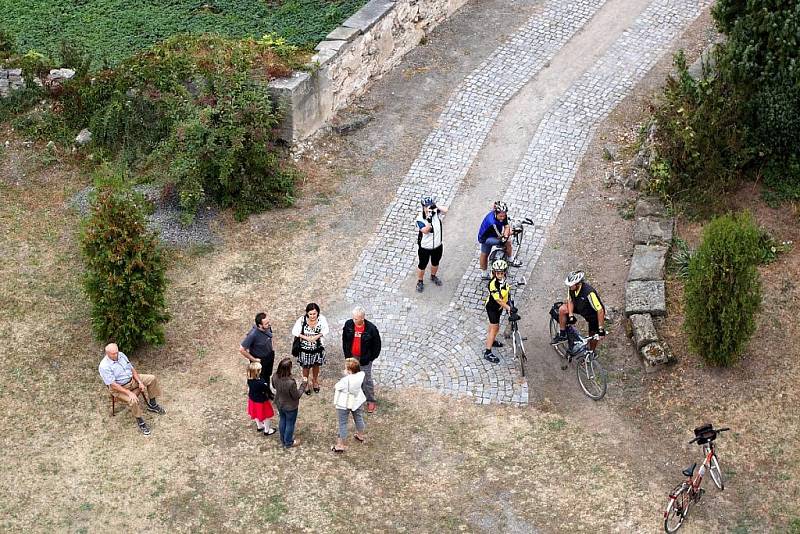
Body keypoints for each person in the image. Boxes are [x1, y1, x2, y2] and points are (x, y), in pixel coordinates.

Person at [98, 343, 165, 436]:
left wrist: (140, 382)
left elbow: (132, 370)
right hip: (119, 388)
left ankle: (152, 405)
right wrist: (129, 393)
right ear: (107, 354)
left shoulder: (121, 355)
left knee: (152, 378)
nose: (116, 355)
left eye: (117, 352)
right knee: (132, 400)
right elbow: (113, 385)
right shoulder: (104, 366)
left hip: (132, 380)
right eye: (113, 354)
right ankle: (140, 421)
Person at [551, 270, 606, 352]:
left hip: (592, 314)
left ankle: (591, 352)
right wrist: (570, 315)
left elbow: (600, 310)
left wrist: (601, 328)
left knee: (593, 335)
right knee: (562, 309)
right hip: (579, 306)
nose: (569, 287)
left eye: (571, 285)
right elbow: (570, 300)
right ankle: (562, 334)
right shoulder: (571, 288)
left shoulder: (589, 293)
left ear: (578, 284)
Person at [342, 306, 381, 413]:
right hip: (352, 357)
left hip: (365, 359)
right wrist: (347, 355)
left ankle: (370, 400)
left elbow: (377, 346)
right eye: (353, 318)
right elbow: (345, 340)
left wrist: (369, 358)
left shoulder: (371, 329)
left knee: (366, 380)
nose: (353, 320)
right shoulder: (348, 325)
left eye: (356, 318)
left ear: (362, 318)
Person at [477, 201, 522, 280]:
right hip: (486, 238)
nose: (502, 218)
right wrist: (512, 232)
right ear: (495, 213)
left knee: (505, 238)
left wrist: (507, 231)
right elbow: (502, 238)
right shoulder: (492, 223)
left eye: (504, 216)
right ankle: (511, 259)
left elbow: (506, 226)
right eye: (500, 216)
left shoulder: (502, 214)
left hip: (494, 234)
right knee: (506, 242)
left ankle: (484, 273)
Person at [291, 303, 330, 394]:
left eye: (314, 314)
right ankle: (306, 382)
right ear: (307, 313)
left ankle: (315, 381)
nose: (312, 316)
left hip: (317, 347)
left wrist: (317, 336)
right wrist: (306, 338)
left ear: (318, 313)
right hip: (305, 348)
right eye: (310, 314)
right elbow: (295, 331)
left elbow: (326, 330)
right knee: (305, 367)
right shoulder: (302, 320)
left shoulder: (322, 319)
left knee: (316, 365)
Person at [331, 358, 368, 453]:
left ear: (350, 371)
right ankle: (360, 435)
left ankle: (340, 445)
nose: (344, 369)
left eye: (346, 368)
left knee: (342, 423)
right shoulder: (361, 375)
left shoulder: (346, 380)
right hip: (357, 400)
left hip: (344, 403)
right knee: (359, 418)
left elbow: (336, 386)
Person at [415, 196, 449, 293]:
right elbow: (425, 231)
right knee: (422, 265)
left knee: (435, 262)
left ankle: (433, 276)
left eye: (430, 206)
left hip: (437, 245)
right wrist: (429, 221)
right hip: (425, 247)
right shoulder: (420, 219)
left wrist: (436, 206)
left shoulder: (435, 212)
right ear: (423, 207)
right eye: (427, 206)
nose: (429, 208)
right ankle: (420, 281)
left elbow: (446, 210)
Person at [483, 259, 515, 363]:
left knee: (494, 327)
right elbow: (499, 300)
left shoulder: (503, 280)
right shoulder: (492, 284)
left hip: (499, 308)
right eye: (498, 273)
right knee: (494, 328)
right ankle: (488, 352)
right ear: (494, 273)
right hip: (492, 308)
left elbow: (506, 291)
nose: (500, 275)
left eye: (502, 273)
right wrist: (509, 308)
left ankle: (491, 340)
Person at [272, 357, 308, 448]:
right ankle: (288, 442)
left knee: (282, 420)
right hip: (290, 406)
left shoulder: (275, 376)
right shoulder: (290, 382)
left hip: (280, 403)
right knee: (290, 423)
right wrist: (304, 384)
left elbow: (274, 386)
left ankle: (282, 439)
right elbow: (296, 395)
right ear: (289, 369)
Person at [239, 312, 275, 382]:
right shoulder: (253, 335)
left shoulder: (267, 327)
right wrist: (254, 360)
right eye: (266, 323)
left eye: (268, 322)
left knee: (267, 375)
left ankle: (267, 389)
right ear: (260, 325)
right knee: (260, 379)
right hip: (260, 360)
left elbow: (270, 336)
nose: (269, 324)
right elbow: (241, 349)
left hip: (269, 355)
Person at [246, 361, 276, 436]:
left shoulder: (249, 379)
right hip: (261, 401)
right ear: (257, 372)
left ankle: (259, 426)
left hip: (252, 400)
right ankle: (267, 430)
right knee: (266, 416)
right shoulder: (261, 383)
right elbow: (267, 391)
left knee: (255, 414)